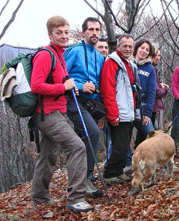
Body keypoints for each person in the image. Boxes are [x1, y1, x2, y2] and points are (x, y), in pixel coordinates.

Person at [30, 15, 93, 213]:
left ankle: (40, 198)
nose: (64, 36)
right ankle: (76, 199)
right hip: (46, 114)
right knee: (77, 146)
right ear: (50, 34)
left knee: (48, 155)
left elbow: (57, 83)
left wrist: (68, 89)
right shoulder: (45, 55)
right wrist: (62, 87)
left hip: (55, 111)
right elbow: (36, 86)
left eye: (66, 32)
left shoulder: (60, 54)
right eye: (59, 33)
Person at [63, 17, 104, 198]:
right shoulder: (75, 51)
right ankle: (86, 177)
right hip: (74, 100)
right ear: (83, 32)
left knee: (82, 141)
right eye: (91, 29)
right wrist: (79, 86)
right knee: (92, 133)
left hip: (92, 104)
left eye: (97, 30)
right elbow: (61, 75)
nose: (94, 33)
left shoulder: (98, 56)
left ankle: (78, 178)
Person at [100, 34, 140, 185]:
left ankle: (118, 172)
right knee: (118, 146)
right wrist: (113, 114)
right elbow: (108, 90)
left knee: (124, 146)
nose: (128, 49)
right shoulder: (112, 63)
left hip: (128, 112)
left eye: (130, 46)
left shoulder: (128, 64)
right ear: (118, 47)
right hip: (118, 112)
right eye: (125, 46)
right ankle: (110, 174)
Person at [133, 39, 156, 147]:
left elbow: (152, 92)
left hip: (142, 107)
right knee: (122, 139)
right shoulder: (128, 63)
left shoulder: (150, 68)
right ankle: (128, 162)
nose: (144, 51)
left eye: (147, 50)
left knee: (152, 137)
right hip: (127, 105)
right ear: (136, 48)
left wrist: (147, 113)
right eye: (142, 48)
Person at [151, 45, 169, 129]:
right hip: (149, 109)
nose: (157, 58)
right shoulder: (151, 69)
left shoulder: (154, 69)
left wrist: (159, 84)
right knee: (149, 135)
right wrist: (165, 89)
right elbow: (156, 92)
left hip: (152, 108)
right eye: (155, 55)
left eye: (159, 55)